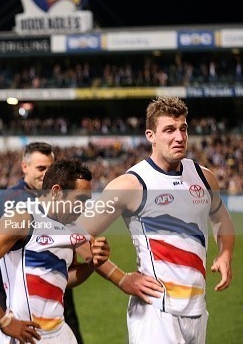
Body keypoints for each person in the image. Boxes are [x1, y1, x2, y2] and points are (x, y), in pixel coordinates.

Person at [79, 96, 235, 344]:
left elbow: (222, 222)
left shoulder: (205, 178)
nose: (179, 137)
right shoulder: (131, 184)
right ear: (150, 135)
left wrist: (225, 254)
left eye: (183, 128)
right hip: (155, 315)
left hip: (197, 311)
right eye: (169, 130)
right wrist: (121, 278)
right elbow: (78, 234)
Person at [0, 158, 110, 344]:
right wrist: (4, 321)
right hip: (23, 335)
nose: (84, 208)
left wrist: (92, 265)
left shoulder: (72, 229)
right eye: (80, 200)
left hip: (60, 333)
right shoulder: (21, 218)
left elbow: (65, 279)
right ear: (57, 191)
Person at [0, 142, 82, 343]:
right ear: (25, 167)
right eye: (40, 168)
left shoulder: (61, 201)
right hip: (17, 297)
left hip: (60, 295)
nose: (45, 174)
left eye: (50, 169)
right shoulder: (6, 201)